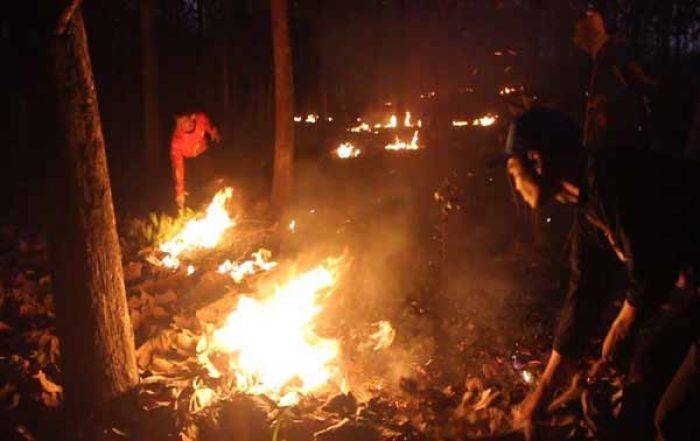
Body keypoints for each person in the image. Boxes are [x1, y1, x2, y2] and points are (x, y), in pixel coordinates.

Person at [504, 108, 700, 440]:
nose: (515, 183)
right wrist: (544, 391)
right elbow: (585, 296)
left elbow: (654, 270)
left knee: (674, 418)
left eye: (513, 170)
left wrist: (621, 327)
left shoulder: (613, 178)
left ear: (536, 160)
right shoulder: (587, 208)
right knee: (646, 373)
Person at [574, 7, 656, 153]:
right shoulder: (605, 58)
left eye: (578, 33)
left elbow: (627, 97)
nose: (575, 39)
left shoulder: (611, 59)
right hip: (610, 147)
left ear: (589, 35)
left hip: (612, 149)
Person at [170, 111, 221, 210]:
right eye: (178, 124)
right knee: (189, 188)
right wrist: (179, 192)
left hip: (203, 154)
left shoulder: (200, 119)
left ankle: (212, 205)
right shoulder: (177, 140)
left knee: (208, 181)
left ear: (191, 117)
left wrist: (213, 133)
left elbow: (209, 126)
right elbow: (178, 167)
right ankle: (193, 210)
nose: (180, 127)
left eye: (183, 122)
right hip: (187, 160)